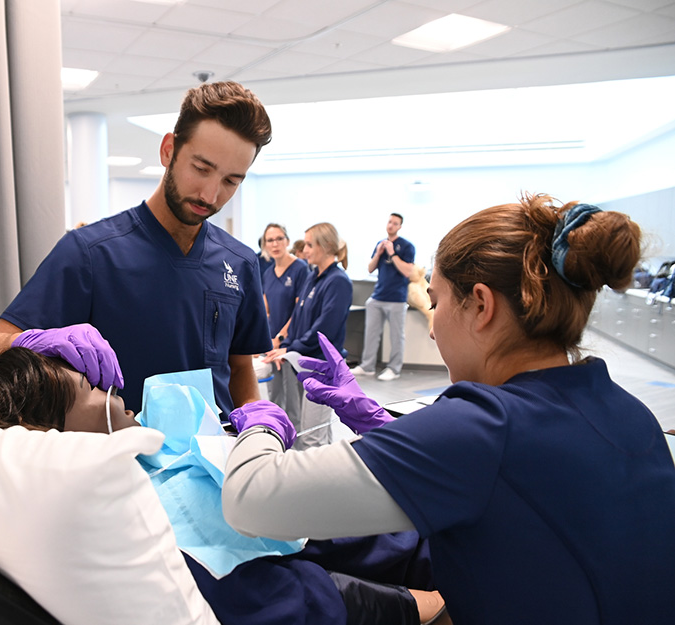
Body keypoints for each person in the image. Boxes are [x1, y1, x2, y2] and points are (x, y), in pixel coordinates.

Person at [222, 195, 675, 624]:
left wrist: (260, 418)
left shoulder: (486, 425)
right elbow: (505, 487)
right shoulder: (631, 413)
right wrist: (376, 422)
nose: (434, 330)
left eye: (436, 302)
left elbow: (248, 500)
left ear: (481, 305)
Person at [0, 347, 445, 625]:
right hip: (410, 565)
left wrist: (378, 426)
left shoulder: (153, 450)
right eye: (89, 386)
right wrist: (435, 604)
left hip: (402, 528)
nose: (106, 384)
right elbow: (296, 597)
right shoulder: (144, 516)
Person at [0, 81, 274, 416]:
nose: (210, 195)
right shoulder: (89, 253)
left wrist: (259, 425)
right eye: (201, 169)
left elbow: (240, 369)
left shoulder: (240, 263)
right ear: (168, 150)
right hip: (118, 455)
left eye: (231, 181)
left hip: (213, 459)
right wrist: (32, 343)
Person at [263, 223, 352, 449]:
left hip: (323, 366)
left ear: (327, 246)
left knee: (312, 437)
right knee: (317, 430)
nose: (305, 250)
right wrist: (287, 345)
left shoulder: (338, 281)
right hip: (305, 362)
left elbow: (324, 330)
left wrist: (293, 348)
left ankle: (316, 482)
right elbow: (300, 320)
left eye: (311, 245)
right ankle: (328, 477)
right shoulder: (314, 277)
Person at [352, 213, 415, 381]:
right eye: (390, 222)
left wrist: (392, 254)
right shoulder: (380, 244)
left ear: (400, 226)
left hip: (397, 299)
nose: (391, 225)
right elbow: (370, 269)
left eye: (395, 223)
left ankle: (394, 369)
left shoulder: (407, 246)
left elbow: (408, 271)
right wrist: (379, 253)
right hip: (377, 297)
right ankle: (367, 366)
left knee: (396, 336)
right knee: (371, 333)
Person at [261, 223, 309, 348]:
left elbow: (300, 310)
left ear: (287, 241)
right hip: (271, 340)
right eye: (270, 240)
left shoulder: (300, 269)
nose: (275, 244)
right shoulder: (268, 274)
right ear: (265, 245)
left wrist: (281, 337)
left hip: (291, 341)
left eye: (279, 239)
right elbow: (265, 312)